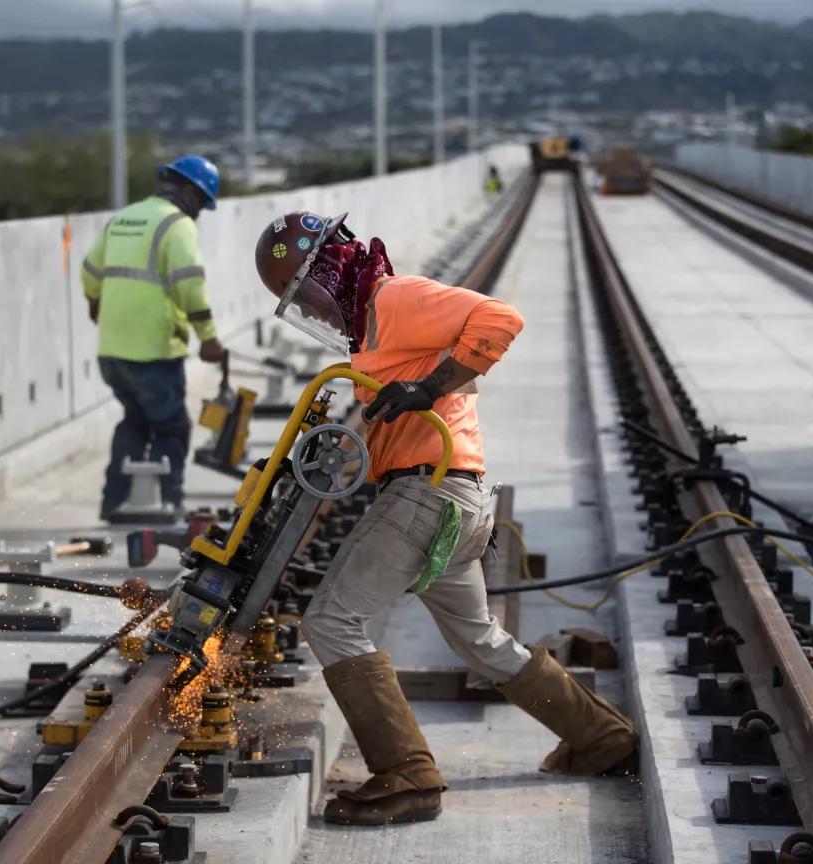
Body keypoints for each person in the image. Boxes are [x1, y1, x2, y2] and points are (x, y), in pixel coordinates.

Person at [252, 211, 638, 827]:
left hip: (427, 495)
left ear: (331, 267)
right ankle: (602, 736)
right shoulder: (373, 331)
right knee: (478, 639)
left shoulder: (395, 299)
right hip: (460, 498)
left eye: (312, 295)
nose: (319, 314)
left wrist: (430, 388)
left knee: (330, 620)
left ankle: (406, 775)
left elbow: (501, 318)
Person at [82, 155, 227, 519]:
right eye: (202, 203)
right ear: (191, 191)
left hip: (112, 351)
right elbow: (190, 287)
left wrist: (94, 299)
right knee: (171, 426)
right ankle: (166, 505)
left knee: (135, 420)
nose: (199, 213)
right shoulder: (177, 225)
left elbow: (89, 269)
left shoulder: (125, 217)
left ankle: (116, 501)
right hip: (153, 351)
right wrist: (208, 338)